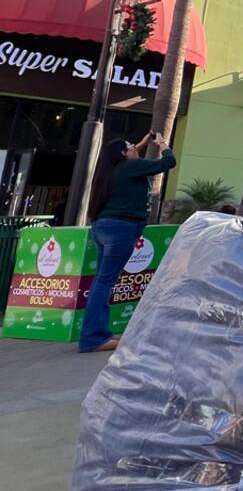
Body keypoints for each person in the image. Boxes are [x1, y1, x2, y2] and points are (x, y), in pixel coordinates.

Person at [79, 131, 176, 354]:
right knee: (105, 283)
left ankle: (98, 333)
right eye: (131, 146)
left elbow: (129, 156)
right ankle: (93, 338)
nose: (135, 147)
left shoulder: (112, 170)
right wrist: (162, 144)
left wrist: (140, 143)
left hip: (103, 227)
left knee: (101, 281)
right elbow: (169, 162)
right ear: (124, 154)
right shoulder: (131, 167)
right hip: (122, 229)